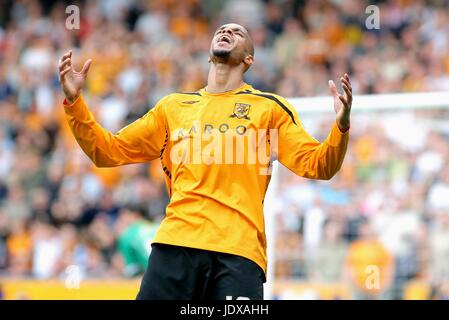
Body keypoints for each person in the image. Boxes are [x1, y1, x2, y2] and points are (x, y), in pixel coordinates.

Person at [58, 23, 352, 300]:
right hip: (177, 244)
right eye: (222, 29)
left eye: (237, 32)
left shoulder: (269, 109)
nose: (226, 31)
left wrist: (340, 127)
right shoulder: (172, 108)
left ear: (249, 58)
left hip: (238, 252)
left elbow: (319, 165)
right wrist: (75, 104)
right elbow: (107, 151)